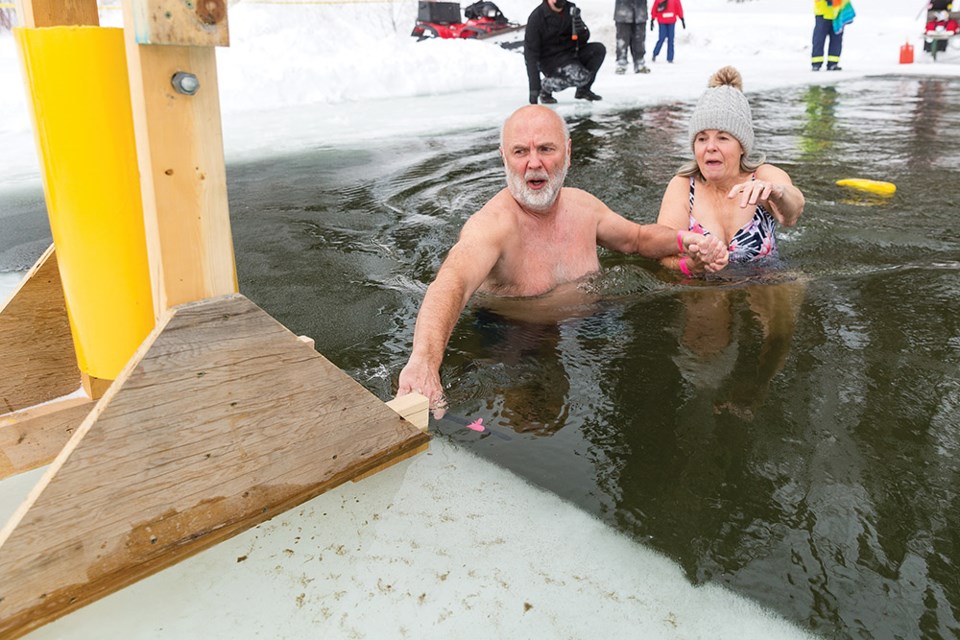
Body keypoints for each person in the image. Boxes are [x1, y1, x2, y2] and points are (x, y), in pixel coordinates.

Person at [396, 105, 728, 412]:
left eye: (545, 149)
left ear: (567, 152)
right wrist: (424, 360)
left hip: (592, 317)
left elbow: (637, 239)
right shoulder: (492, 227)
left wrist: (686, 240)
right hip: (514, 331)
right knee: (530, 408)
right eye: (520, 151)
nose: (534, 163)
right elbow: (452, 281)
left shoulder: (583, 206)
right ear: (504, 158)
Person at [655, 66, 804, 275]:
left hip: (765, 280)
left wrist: (777, 193)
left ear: (742, 146)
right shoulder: (682, 185)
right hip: (705, 287)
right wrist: (690, 266)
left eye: (723, 138)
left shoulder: (763, 176)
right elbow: (663, 253)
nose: (710, 147)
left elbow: (792, 213)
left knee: (793, 281)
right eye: (702, 138)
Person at [524, 0, 605, 104]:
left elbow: (582, 40)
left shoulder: (571, 10)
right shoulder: (537, 18)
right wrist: (534, 90)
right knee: (580, 77)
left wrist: (581, 31)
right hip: (551, 61)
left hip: (571, 54)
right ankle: (546, 87)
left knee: (598, 49)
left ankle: (583, 90)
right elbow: (531, 54)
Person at [811, 0, 855, 71]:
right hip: (823, 14)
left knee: (836, 40)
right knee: (819, 39)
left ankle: (833, 63)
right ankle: (816, 63)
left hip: (838, 15)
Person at [614, 0, 651, 75]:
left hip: (640, 13)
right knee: (622, 41)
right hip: (623, 12)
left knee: (640, 40)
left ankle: (640, 63)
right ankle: (621, 63)